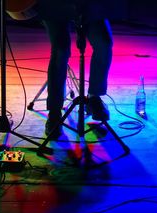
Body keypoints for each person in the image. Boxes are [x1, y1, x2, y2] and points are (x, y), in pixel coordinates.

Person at [36, 0, 114, 138]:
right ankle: (54, 111)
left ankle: (94, 97)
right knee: (60, 50)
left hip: (86, 5)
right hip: (53, 5)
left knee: (104, 43)